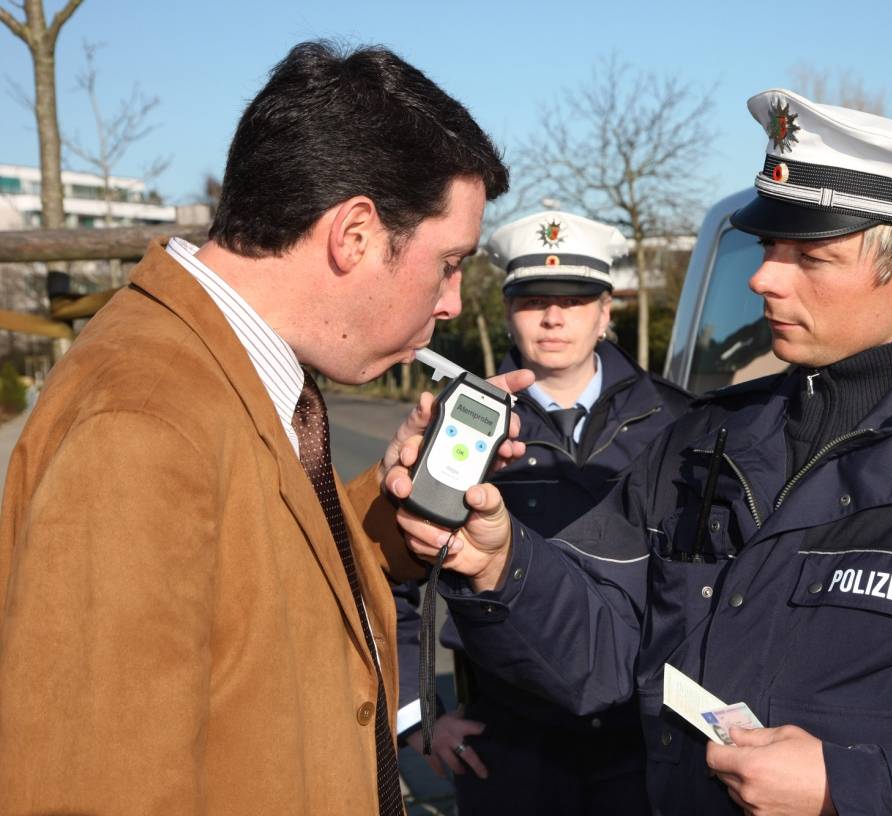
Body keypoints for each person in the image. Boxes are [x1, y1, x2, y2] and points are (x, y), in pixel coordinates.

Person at [388, 89, 892, 815]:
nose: (764, 276)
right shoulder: (701, 440)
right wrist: (498, 565)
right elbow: (599, 658)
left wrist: (852, 785)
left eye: (812, 256)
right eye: (771, 245)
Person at [0, 41, 529, 815]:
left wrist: (397, 509)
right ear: (353, 236)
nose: (451, 301)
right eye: (449, 262)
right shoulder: (142, 425)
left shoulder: (226, 367)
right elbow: (89, 786)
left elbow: (253, 580)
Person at [404, 210, 690, 814]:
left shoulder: (681, 422)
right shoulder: (463, 427)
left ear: (606, 310)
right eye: (534, 300)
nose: (554, 317)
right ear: (508, 310)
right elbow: (397, 570)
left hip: (642, 735)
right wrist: (417, 714)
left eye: (575, 299)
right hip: (508, 741)